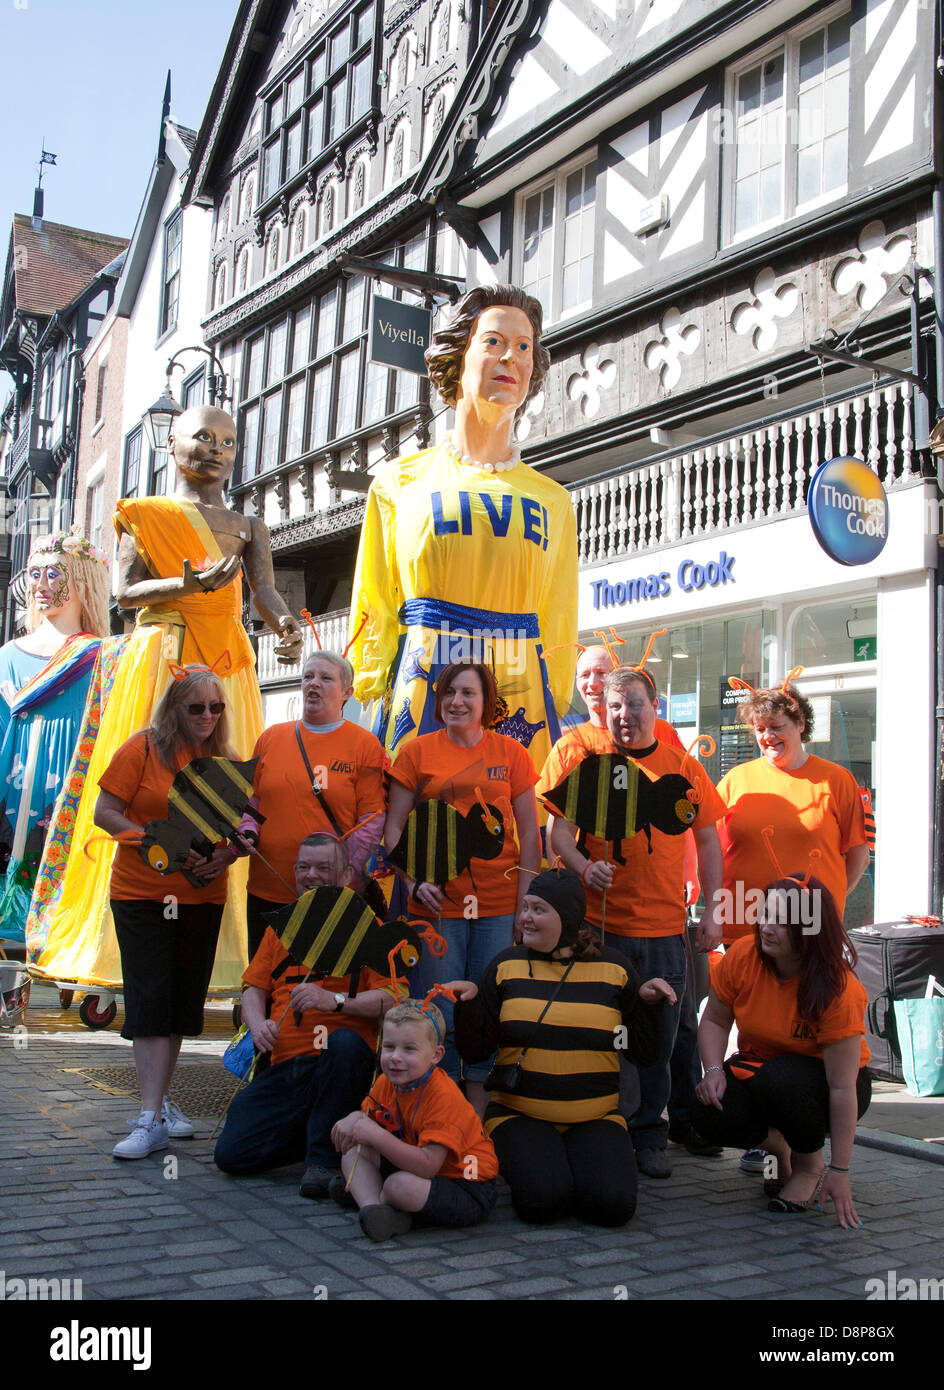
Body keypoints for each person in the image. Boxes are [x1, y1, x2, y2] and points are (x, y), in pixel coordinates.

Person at [29, 405, 303, 993]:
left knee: (220, 783)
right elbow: (125, 592)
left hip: (226, 656)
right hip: (166, 653)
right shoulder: (146, 515)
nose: (216, 450)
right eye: (202, 438)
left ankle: (221, 944)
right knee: (156, 776)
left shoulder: (249, 524)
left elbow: (266, 590)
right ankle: (125, 930)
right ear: (170, 444)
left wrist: (283, 625)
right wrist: (185, 585)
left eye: (227, 441)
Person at [347, 284, 578, 777]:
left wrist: (556, 691)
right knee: (418, 824)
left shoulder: (552, 500)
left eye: (524, 348)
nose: (510, 359)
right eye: (493, 342)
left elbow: (558, 611)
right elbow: (374, 596)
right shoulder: (399, 481)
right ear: (459, 355)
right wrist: (370, 685)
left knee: (511, 830)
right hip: (425, 676)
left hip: (519, 686)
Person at [540, 664, 726, 1178]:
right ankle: (609, 1130)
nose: (623, 715)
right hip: (600, 930)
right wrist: (582, 865)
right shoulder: (590, 764)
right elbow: (558, 836)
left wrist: (715, 909)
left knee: (658, 1039)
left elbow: (708, 840)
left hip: (666, 932)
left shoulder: (683, 767)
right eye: (614, 706)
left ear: (655, 706)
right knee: (605, 1035)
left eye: (634, 704)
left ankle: (651, 1135)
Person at [454, 869, 674, 1226]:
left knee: (612, 1208)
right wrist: (466, 1006)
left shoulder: (614, 968)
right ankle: (552, 1163)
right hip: (519, 1115)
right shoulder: (506, 965)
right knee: (543, 1203)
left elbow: (643, 1055)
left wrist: (649, 1007)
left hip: (596, 1117)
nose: (525, 917)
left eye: (538, 909)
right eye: (524, 907)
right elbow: (476, 1053)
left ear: (568, 917)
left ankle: (574, 1161)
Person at [716, 678, 869, 1176]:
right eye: (759, 729)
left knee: (807, 1029)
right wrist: (714, 911)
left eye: (776, 727)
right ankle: (770, 1141)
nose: (767, 737)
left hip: (809, 935)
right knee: (753, 1031)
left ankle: (806, 1142)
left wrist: (824, 911)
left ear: (801, 723)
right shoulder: (735, 781)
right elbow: (713, 855)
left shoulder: (837, 781)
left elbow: (857, 853)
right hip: (746, 926)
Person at [383, 660, 541, 1113]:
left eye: (468, 693)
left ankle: (478, 1115)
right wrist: (412, 882)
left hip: (497, 905)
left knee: (486, 1011)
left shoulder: (512, 753)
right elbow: (393, 829)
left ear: (486, 702)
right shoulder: (415, 753)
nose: (457, 702)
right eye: (450, 692)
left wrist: (524, 903)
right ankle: (437, 1107)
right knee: (440, 1010)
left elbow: (530, 834)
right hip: (436, 909)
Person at [94, 666, 235, 1159]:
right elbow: (105, 813)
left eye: (215, 707)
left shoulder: (223, 758)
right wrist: (152, 840)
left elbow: (238, 828)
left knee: (179, 1003)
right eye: (196, 707)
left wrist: (228, 853)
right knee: (150, 998)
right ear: (174, 707)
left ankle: (159, 1102)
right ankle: (149, 1117)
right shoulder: (144, 747)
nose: (207, 716)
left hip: (200, 897)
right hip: (142, 893)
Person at [214, 833, 402, 1199]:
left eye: (322, 868)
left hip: (344, 1066)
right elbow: (254, 987)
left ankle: (323, 1161)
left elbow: (393, 999)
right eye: (304, 867)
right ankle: (324, 1134)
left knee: (345, 1043)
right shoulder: (281, 927)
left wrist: (334, 1001)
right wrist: (256, 1025)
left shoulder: (371, 929)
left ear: (347, 874)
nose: (311, 875)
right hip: (288, 1065)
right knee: (231, 1155)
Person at [692, 876, 872, 1229]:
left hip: (830, 1086)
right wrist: (712, 1071)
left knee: (782, 1078)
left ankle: (810, 1167)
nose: (765, 928)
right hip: (765, 1073)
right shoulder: (743, 955)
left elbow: (842, 1087)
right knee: (706, 1110)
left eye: (779, 921)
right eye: (764, 915)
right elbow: (713, 1019)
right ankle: (780, 1149)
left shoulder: (838, 988)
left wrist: (842, 1169)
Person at [234, 650, 387, 958]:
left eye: (325, 678)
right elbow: (253, 799)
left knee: (319, 988)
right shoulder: (270, 738)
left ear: (347, 692)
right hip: (267, 890)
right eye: (308, 676)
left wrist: (345, 874)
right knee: (265, 984)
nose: (313, 684)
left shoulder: (365, 745)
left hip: (329, 896)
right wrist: (246, 830)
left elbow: (372, 818)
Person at [0, 528, 109, 942]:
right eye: (34, 574)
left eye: (53, 573)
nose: (41, 585)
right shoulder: (7, 657)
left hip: (77, 782)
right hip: (15, 786)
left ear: (82, 579)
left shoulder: (104, 655)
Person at [330, 999, 499, 1241]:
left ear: (436, 1055)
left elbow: (428, 1165)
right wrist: (354, 1118)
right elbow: (367, 1123)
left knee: (399, 1186)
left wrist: (374, 1134)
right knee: (353, 1154)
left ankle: (379, 1198)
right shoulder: (386, 1082)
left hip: (465, 1184)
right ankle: (374, 1210)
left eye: (409, 1049)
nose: (395, 1058)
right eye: (389, 1047)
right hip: (417, 1167)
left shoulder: (443, 1095)